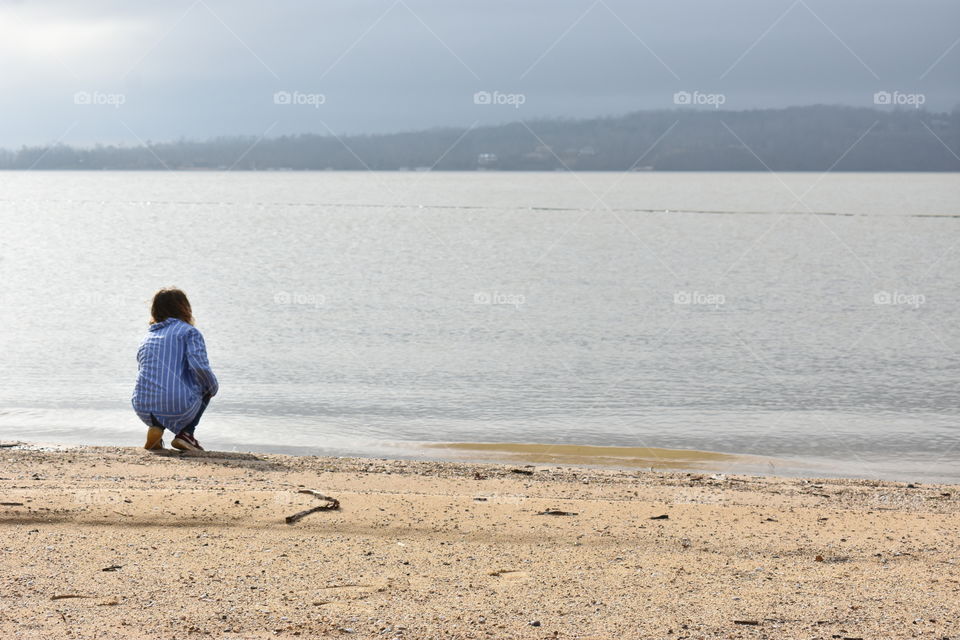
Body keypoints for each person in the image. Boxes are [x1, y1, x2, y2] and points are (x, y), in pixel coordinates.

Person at [132, 288, 219, 452]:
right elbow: (199, 367)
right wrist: (213, 387)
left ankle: (156, 428)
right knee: (206, 384)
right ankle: (186, 434)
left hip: (142, 406)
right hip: (174, 404)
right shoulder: (189, 332)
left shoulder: (147, 336)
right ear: (184, 308)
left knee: (160, 382)